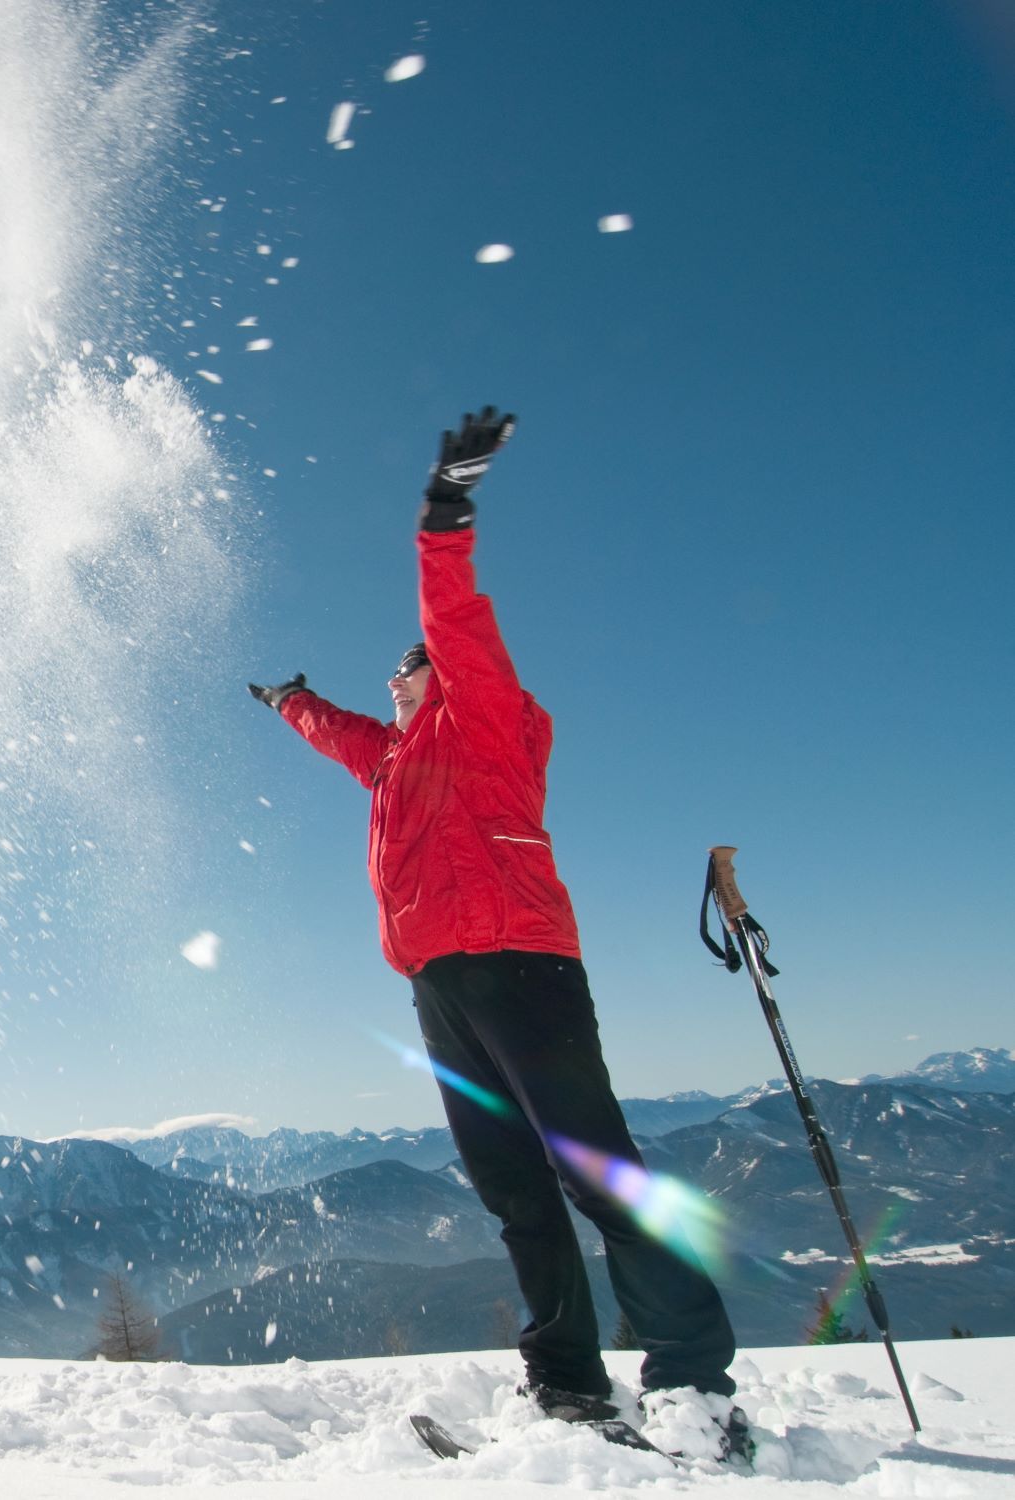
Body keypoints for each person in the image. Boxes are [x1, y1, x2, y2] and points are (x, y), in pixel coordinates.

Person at [248, 410, 747, 1461]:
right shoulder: (393, 760)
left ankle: (695, 1389)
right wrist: (292, 701)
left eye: (405, 669)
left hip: (521, 966)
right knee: (516, 1192)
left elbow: (456, 620)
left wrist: (444, 517)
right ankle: (567, 1385)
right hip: (439, 987)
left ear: (441, 675)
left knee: (597, 1174)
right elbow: (347, 736)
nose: (393, 681)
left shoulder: (486, 717)